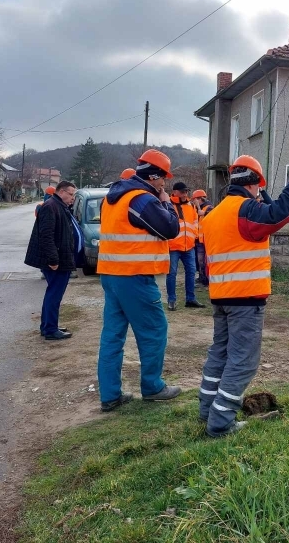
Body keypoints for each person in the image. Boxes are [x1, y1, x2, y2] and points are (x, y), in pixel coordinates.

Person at [198, 155, 289, 438]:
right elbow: (278, 214)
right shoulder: (245, 210)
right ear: (255, 184)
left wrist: (263, 193)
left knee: (219, 354)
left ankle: (207, 409)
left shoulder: (213, 215)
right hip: (245, 299)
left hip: (220, 296)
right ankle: (220, 422)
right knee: (243, 361)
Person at [96, 149, 183, 411]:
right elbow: (170, 229)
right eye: (162, 179)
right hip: (134, 277)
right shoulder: (141, 199)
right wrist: (167, 203)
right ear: (153, 176)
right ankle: (153, 386)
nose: (163, 184)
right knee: (155, 331)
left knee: (112, 336)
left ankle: (110, 395)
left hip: (111, 276)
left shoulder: (113, 198)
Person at [25, 181, 85, 340]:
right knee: (54, 294)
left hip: (62, 258)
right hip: (56, 261)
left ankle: (48, 325)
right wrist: (53, 260)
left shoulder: (59, 206)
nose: (73, 198)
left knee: (53, 293)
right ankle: (50, 330)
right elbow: (46, 236)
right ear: (62, 192)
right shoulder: (50, 207)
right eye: (71, 194)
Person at [166, 182, 205, 311]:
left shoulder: (191, 206)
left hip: (189, 246)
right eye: (182, 191)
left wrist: (193, 236)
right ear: (175, 192)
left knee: (191, 272)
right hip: (173, 246)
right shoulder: (168, 205)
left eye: (186, 191)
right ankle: (171, 300)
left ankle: (190, 299)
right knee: (172, 273)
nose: (185, 194)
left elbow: (195, 222)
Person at [191, 189, 212, 287]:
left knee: (204, 261)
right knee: (199, 261)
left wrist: (204, 213)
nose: (193, 202)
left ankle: (206, 280)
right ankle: (201, 278)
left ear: (200, 199)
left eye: (195, 199)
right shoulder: (196, 208)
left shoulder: (209, 207)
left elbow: (213, 215)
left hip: (206, 239)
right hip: (199, 239)